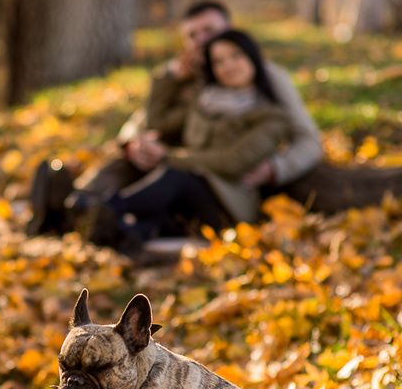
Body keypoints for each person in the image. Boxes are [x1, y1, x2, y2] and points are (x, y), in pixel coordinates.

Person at [28, 0, 322, 242]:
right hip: (176, 170)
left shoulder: (269, 84)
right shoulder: (196, 83)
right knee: (124, 164)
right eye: (192, 35)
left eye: (209, 30)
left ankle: (79, 210)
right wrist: (134, 142)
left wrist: (276, 168)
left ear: (232, 32)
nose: (201, 41)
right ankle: (76, 208)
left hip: (207, 178)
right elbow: (147, 121)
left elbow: (305, 140)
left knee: (173, 178)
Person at [86, 29, 292, 250]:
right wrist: (168, 78)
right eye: (218, 61)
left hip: (228, 205)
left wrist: (168, 156)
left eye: (236, 56)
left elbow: (234, 161)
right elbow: (158, 122)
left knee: (178, 176)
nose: (228, 66)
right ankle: (96, 224)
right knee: (144, 221)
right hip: (186, 202)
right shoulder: (203, 102)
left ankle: (101, 209)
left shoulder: (272, 117)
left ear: (253, 57)